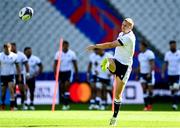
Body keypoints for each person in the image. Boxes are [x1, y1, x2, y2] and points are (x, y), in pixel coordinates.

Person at [87, 18, 135, 126]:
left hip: (125, 67)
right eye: (123, 24)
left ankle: (115, 117)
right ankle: (108, 64)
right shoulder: (122, 33)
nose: (123, 27)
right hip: (116, 61)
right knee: (109, 59)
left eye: (126, 25)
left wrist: (95, 46)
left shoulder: (129, 38)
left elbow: (110, 45)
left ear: (130, 27)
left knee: (117, 95)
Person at [53, 40, 78, 110]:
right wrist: (55, 73)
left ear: (68, 46)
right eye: (64, 45)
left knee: (66, 85)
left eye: (67, 45)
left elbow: (75, 64)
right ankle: (65, 100)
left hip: (69, 72)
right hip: (61, 72)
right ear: (62, 46)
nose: (66, 46)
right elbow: (55, 64)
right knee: (61, 87)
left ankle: (66, 103)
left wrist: (76, 74)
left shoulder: (72, 53)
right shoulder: (58, 54)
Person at [0, 43, 21, 110]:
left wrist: (19, 75)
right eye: (5, 48)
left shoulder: (14, 56)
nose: (7, 49)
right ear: (4, 48)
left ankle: (12, 107)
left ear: (10, 48)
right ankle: (3, 104)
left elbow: (18, 66)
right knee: (3, 92)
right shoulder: (0, 55)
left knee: (11, 90)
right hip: (3, 76)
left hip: (11, 76)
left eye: (8, 48)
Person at [137, 41, 155, 111]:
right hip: (142, 74)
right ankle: (146, 106)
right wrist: (138, 74)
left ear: (144, 46)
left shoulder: (150, 53)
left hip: (149, 74)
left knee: (150, 91)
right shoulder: (140, 55)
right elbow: (140, 65)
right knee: (144, 89)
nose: (139, 47)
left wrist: (150, 73)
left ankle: (150, 105)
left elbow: (152, 64)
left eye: (140, 46)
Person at [11, 43, 30, 110]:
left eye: (13, 47)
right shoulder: (9, 55)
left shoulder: (21, 55)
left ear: (15, 47)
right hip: (12, 74)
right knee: (13, 90)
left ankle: (24, 103)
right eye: (11, 47)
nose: (12, 48)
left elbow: (26, 64)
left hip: (20, 74)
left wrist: (27, 73)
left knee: (22, 89)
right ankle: (15, 105)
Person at [162, 40, 180, 110]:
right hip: (170, 74)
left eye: (174, 45)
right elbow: (165, 64)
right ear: (170, 46)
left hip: (177, 74)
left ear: (176, 45)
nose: (173, 46)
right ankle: (174, 103)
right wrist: (163, 72)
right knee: (172, 90)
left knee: (175, 88)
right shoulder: (167, 54)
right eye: (171, 45)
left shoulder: (179, 53)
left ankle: (175, 104)